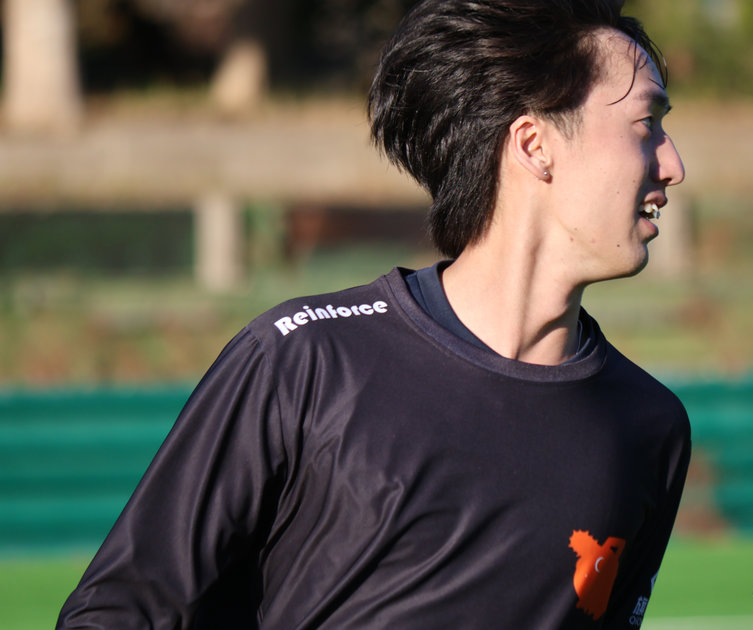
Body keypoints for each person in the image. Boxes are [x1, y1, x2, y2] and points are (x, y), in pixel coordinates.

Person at [57, 0, 689, 627]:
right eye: (646, 124)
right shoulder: (304, 361)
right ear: (534, 144)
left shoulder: (650, 429)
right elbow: (121, 612)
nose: (673, 165)